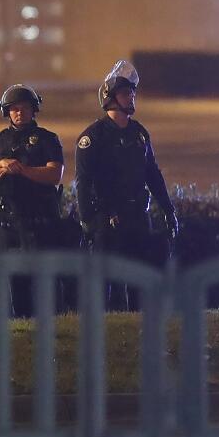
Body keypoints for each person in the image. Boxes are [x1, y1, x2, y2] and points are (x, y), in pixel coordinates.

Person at [75, 60, 179, 310]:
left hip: (137, 219)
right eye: (124, 93)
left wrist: (168, 209)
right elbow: (83, 183)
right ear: (110, 98)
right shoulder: (93, 137)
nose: (131, 98)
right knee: (105, 288)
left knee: (139, 285)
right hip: (107, 221)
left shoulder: (139, 134)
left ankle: (140, 337)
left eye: (132, 93)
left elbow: (152, 174)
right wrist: (89, 221)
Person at [0, 84, 66, 316]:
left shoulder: (48, 139)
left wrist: (21, 170)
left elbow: (55, 174)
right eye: (14, 108)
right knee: (15, 285)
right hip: (7, 224)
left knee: (45, 283)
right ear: (7, 112)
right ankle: (22, 328)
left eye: (24, 108)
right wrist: (0, 165)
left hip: (40, 222)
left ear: (34, 109)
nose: (19, 113)